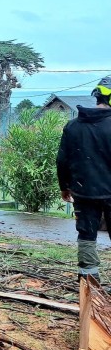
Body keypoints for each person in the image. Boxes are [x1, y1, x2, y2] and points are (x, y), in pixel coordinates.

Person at [57, 75, 111, 284]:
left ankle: (89, 282)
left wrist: (64, 186)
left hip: (83, 192)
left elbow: (62, 160)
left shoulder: (72, 126)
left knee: (86, 235)